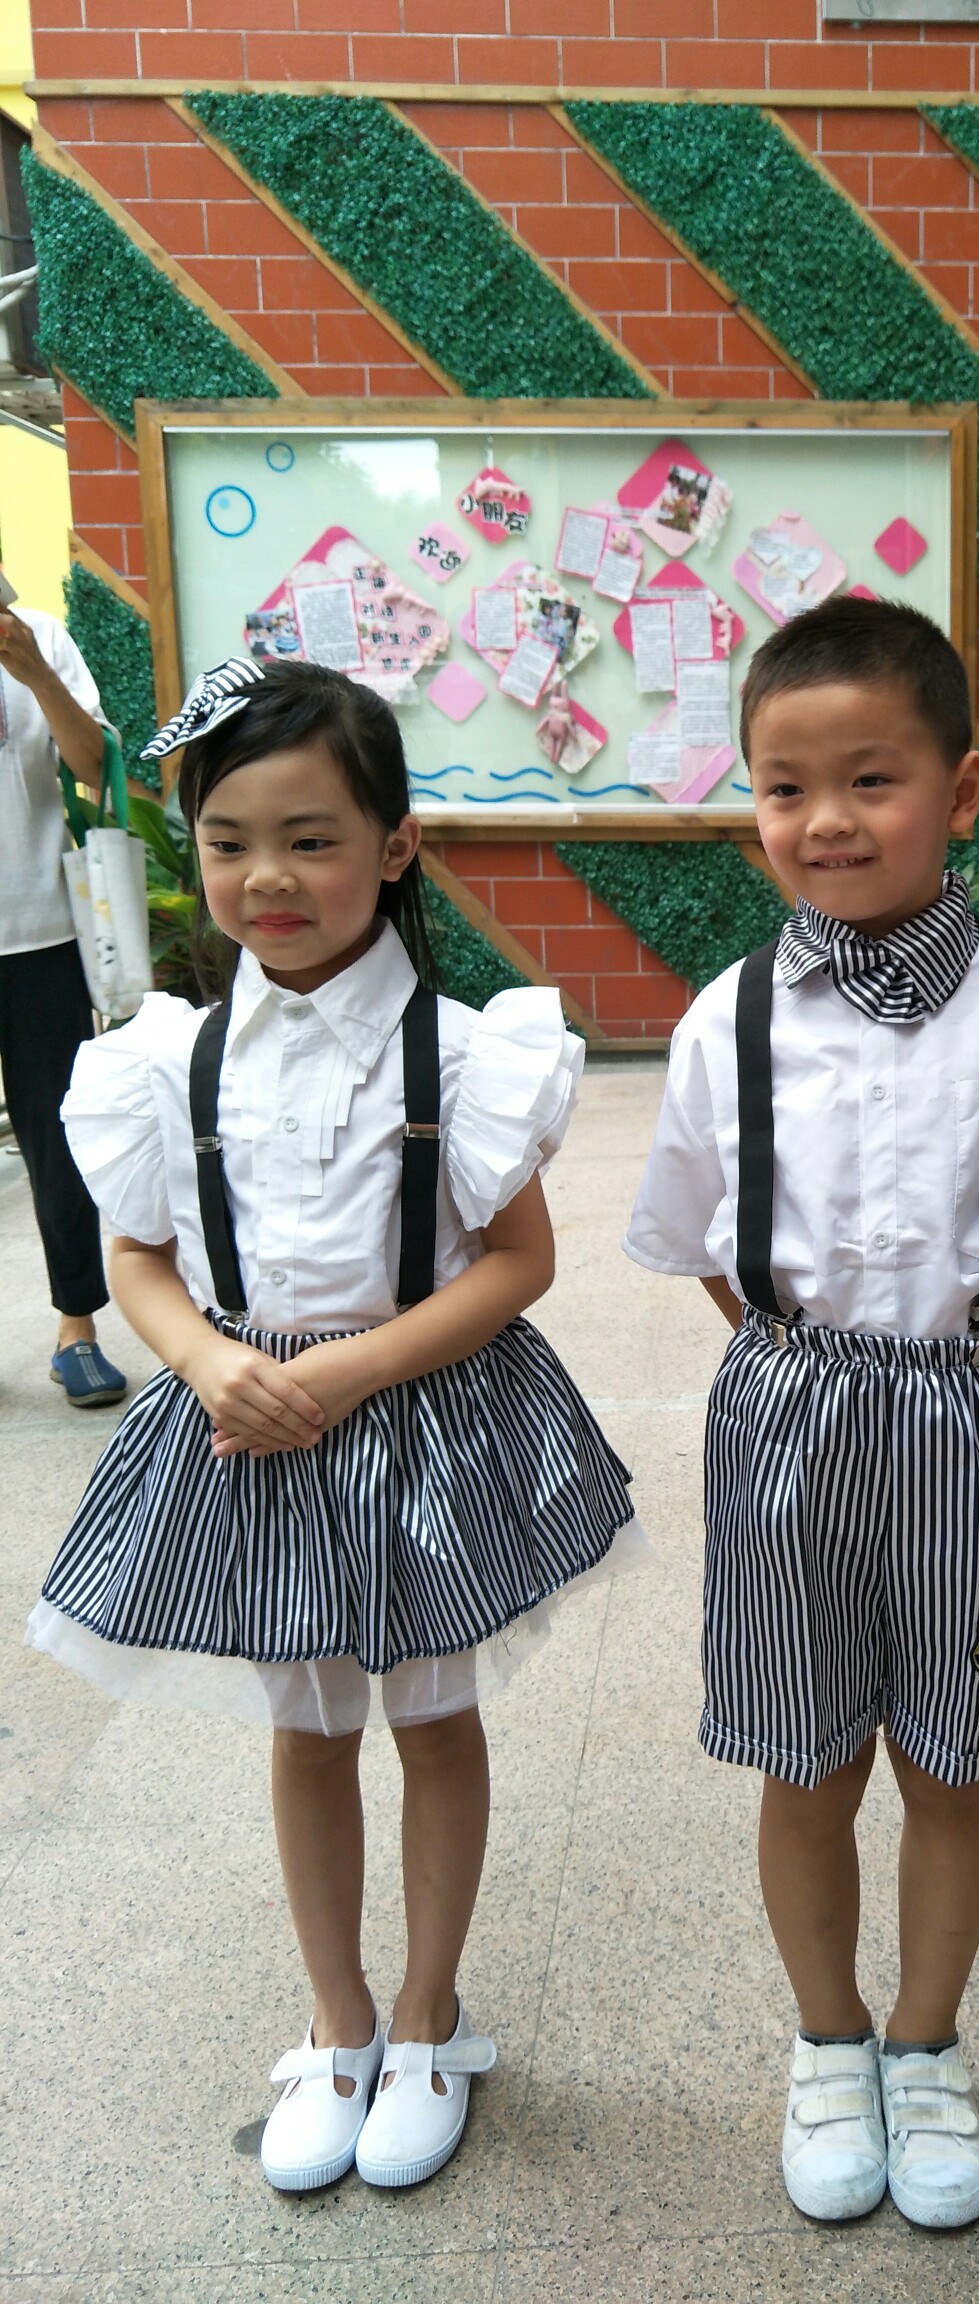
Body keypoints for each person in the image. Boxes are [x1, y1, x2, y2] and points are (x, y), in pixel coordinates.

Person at [25, 657, 643, 2194]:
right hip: (247, 1426)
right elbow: (139, 1259)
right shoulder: (168, 1058)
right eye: (229, 842)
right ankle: (336, 2017)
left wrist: (356, 1370)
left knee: (433, 1718)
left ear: (395, 843)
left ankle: (428, 2015)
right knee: (303, 1731)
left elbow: (519, 1262)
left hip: (417, 1425)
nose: (268, 878)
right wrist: (199, 1360)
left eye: (311, 839)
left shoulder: (465, 1052)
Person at [625, 597, 979, 2231]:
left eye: (872, 778)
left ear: (963, 787)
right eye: (786, 787)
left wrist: (961, 1357)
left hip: (970, 1415)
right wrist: (808, 1366)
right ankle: (826, 2036)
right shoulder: (726, 1016)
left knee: (950, 1749)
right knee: (804, 1756)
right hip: (788, 1413)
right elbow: (707, 1245)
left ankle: (925, 2042)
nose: (827, 820)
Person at [0, 585, 128, 1405]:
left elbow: (93, 768)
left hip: (41, 933)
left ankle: (75, 1328)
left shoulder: (40, 636)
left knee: (57, 1138)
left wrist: (36, 674)